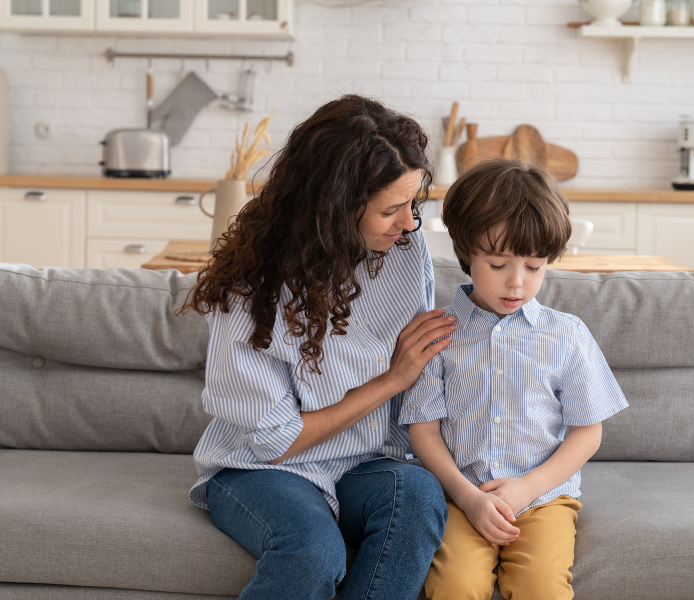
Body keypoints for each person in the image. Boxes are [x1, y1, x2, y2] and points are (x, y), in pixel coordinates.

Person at [183, 95, 453, 600]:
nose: (410, 226)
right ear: (333, 207)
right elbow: (273, 440)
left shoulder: (403, 249)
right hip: (262, 469)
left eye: (413, 204)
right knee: (311, 553)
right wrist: (391, 380)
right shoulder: (253, 288)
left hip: (368, 464)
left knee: (417, 496)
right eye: (390, 210)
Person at [399, 159, 629, 600]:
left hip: (543, 498)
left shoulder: (567, 334)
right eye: (499, 263)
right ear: (466, 253)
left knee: (541, 589)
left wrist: (528, 487)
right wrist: (468, 498)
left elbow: (588, 433)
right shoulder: (437, 333)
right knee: (454, 586)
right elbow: (423, 432)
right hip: (461, 496)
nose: (517, 283)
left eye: (535, 266)